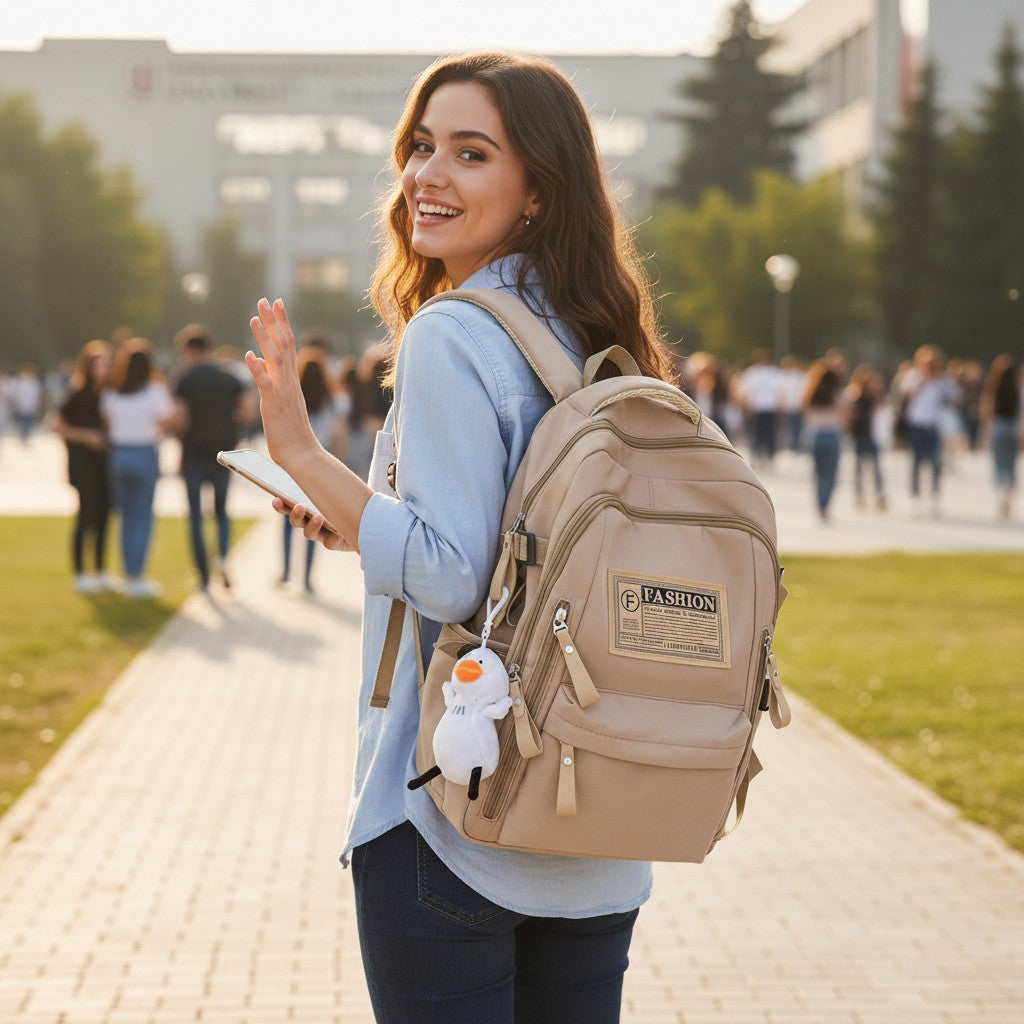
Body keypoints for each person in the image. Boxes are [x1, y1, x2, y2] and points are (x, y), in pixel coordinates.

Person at [244, 52, 678, 1024]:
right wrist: (364, 520)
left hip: (457, 812)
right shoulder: (599, 333)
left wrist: (303, 454)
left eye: (470, 153)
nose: (426, 176)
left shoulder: (455, 331)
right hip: (601, 824)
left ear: (536, 190)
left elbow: (451, 576)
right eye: (420, 146)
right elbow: (512, 554)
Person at [171, 324, 255, 591]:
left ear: (188, 350)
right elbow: (247, 413)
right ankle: (221, 559)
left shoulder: (186, 378)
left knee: (195, 514)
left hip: (194, 453)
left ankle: (203, 576)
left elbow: (180, 418)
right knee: (221, 512)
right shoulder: (229, 377)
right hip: (223, 454)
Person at [101, 337, 175, 598]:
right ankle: (137, 576)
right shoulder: (154, 391)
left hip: (119, 454)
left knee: (126, 517)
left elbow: (108, 425)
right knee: (142, 517)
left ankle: (127, 575)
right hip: (144, 452)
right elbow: (167, 420)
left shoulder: (112, 393)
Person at [52, 340, 116, 593]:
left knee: (104, 517)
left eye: (106, 364)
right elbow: (57, 425)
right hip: (83, 464)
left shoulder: (112, 394)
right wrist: (87, 436)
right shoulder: (77, 394)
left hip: (107, 465)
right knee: (86, 516)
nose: (101, 369)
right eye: (96, 364)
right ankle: (80, 573)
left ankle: (100, 571)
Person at [279, 347, 340, 593]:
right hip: (319, 468)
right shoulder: (329, 400)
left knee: (287, 521)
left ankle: (285, 571)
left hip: (293, 466)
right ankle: (306, 577)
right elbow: (334, 434)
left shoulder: (296, 399)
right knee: (316, 521)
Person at [899, 344, 962, 518]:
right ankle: (915, 498)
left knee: (935, 462)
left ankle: (934, 498)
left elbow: (957, 399)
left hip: (935, 425)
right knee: (916, 462)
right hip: (916, 424)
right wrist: (923, 382)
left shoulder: (944, 380)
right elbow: (906, 395)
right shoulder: (914, 376)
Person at [802, 358, 846, 522]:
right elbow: (845, 414)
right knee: (830, 474)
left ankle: (819, 503)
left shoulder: (811, 393)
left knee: (819, 473)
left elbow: (805, 411)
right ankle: (824, 506)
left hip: (815, 435)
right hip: (831, 435)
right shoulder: (836, 394)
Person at [980, 354, 1022, 520]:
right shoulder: (1017, 390)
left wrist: (984, 431)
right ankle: (1009, 493)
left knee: (999, 462)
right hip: (1013, 427)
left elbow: (986, 411)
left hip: (998, 427)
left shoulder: (993, 388)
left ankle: (1001, 489)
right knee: (1011, 463)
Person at [845, 363, 887, 512]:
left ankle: (879, 495)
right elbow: (849, 414)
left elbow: (882, 409)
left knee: (876, 467)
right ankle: (859, 495)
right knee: (859, 468)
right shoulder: (854, 394)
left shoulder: (874, 396)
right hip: (859, 435)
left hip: (872, 435)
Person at [737, 347, 782, 469]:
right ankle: (756, 455)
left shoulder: (773, 372)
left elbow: (779, 391)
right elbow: (745, 392)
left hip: (768, 408)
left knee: (768, 434)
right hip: (757, 408)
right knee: (757, 434)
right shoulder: (753, 373)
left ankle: (768, 456)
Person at [11, 362, 44, 444]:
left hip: (31, 407)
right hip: (21, 406)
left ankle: (26, 437)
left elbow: (38, 394)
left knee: (29, 423)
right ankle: (23, 437)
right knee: (23, 423)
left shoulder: (34, 382)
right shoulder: (18, 382)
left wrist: (39, 404)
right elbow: (14, 395)